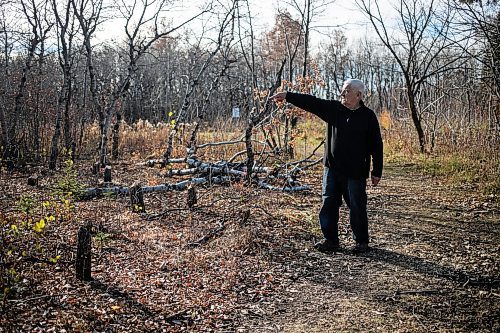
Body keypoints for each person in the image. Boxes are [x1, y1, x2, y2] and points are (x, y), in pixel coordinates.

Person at [271, 79, 383, 253]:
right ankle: (330, 240)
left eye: (346, 91)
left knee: (356, 206)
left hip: (355, 172)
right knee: (328, 203)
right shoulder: (334, 109)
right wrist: (288, 96)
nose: (342, 94)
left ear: (358, 95)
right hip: (332, 169)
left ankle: (361, 242)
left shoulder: (368, 116)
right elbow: (312, 102)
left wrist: (377, 171)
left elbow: (376, 145)